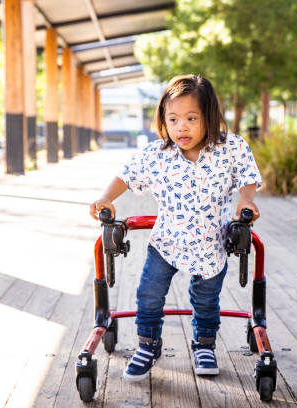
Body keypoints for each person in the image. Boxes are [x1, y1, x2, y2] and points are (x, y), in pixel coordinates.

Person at [89, 74, 262, 381]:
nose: (182, 127)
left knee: (206, 300)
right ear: (163, 120)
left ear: (209, 117)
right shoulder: (158, 154)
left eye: (192, 118)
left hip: (211, 244)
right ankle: (148, 344)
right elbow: (127, 175)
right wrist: (105, 197)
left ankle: (204, 344)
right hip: (166, 243)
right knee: (149, 294)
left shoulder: (230, 147)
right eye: (173, 119)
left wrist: (246, 200)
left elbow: (248, 175)